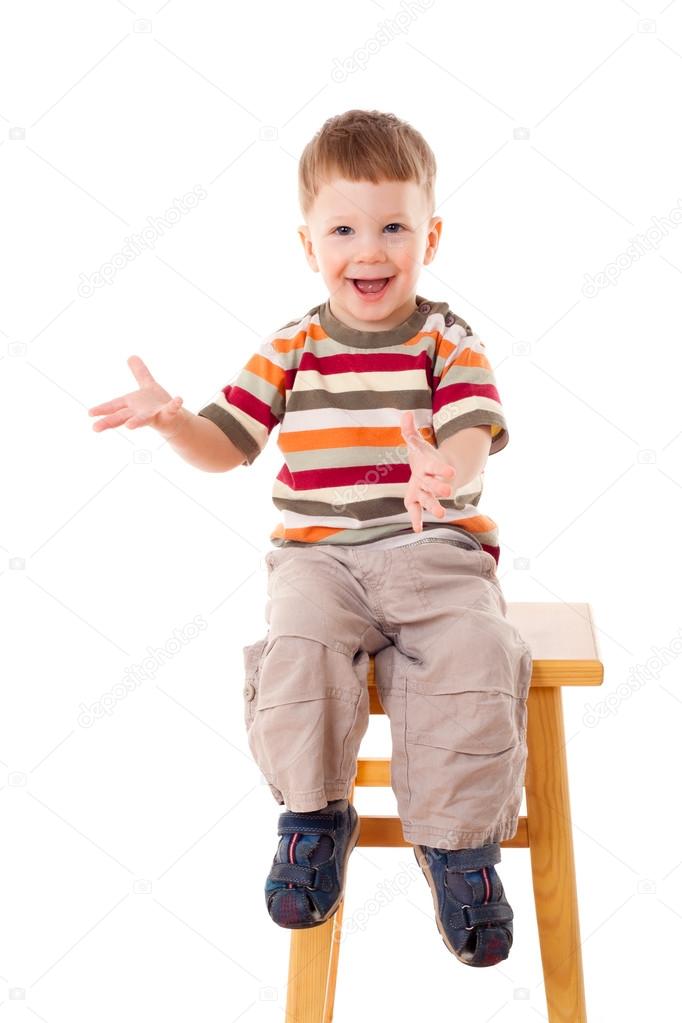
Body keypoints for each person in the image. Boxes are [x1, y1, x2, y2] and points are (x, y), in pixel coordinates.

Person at [88, 108, 533, 967]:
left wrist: (448, 468)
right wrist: (177, 422)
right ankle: (313, 815)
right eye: (345, 228)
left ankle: (458, 846)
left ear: (430, 235)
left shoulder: (449, 339)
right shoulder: (292, 346)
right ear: (309, 244)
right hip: (318, 561)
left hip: (433, 552)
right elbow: (229, 442)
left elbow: (474, 430)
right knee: (297, 651)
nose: (370, 250)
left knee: (477, 650)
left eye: (394, 226)